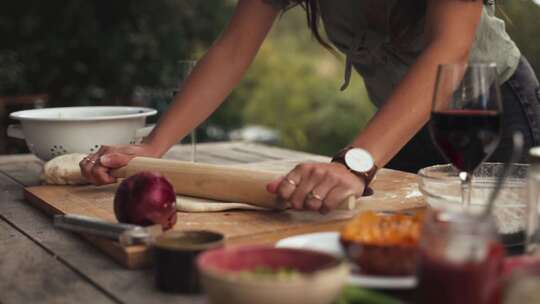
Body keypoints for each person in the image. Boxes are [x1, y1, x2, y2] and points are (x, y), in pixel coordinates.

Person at [81, 0, 540, 213]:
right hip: (397, 126)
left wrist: (355, 163)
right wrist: (155, 146)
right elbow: (235, 46)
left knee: (503, 257)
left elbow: (449, 51)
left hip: (489, 113)